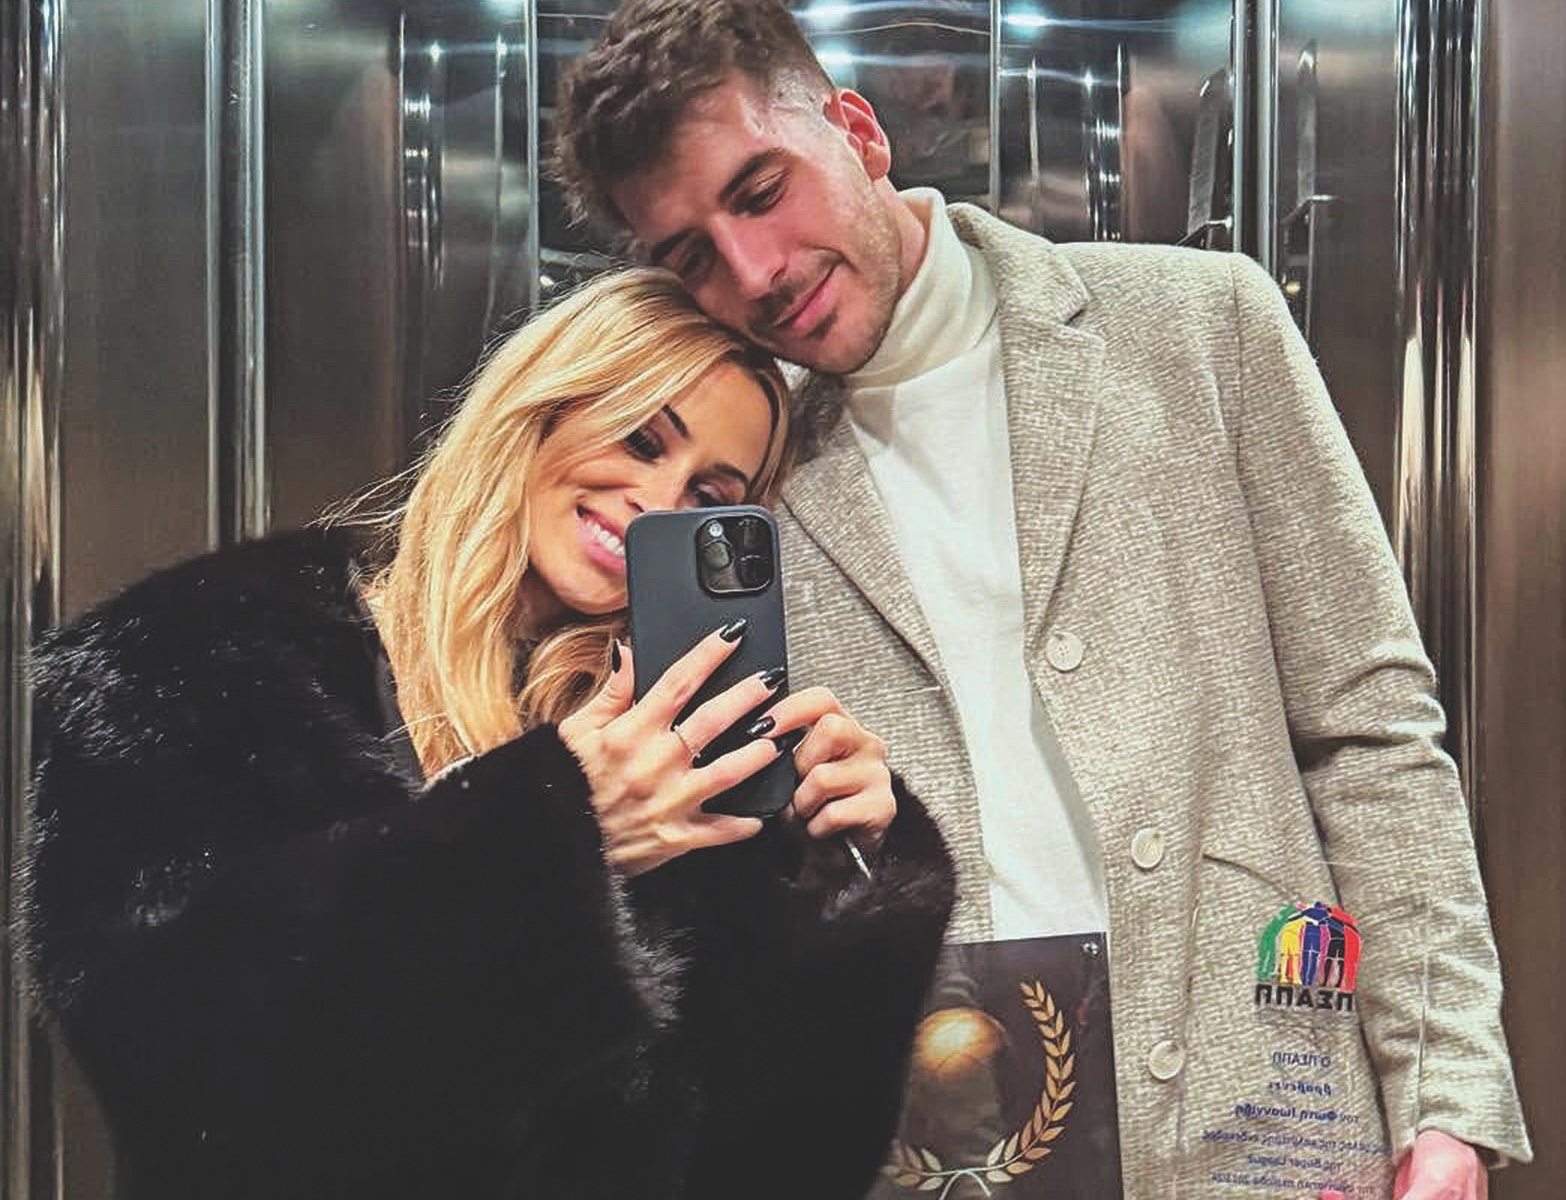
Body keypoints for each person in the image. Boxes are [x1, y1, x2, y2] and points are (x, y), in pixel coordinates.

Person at [553, 5, 1530, 1196]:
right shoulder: (737, 470)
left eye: (761, 192)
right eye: (693, 257)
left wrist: (1443, 1096)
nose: (753, 273)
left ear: (859, 132)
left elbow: (1368, 729)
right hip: (945, 1142)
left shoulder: (1200, 327)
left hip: (1268, 1116)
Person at [17, 268, 956, 1200]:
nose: (658, 500)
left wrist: (829, 885)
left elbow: (780, 1163)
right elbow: (183, 1076)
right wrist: (557, 835)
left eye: (709, 494)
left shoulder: (661, 750)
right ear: (540, 407)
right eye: (640, 437)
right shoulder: (197, 663)